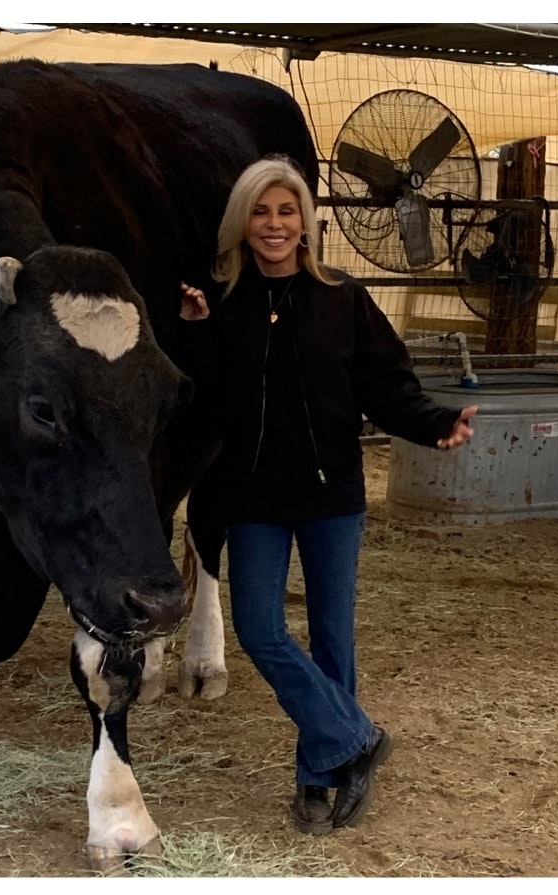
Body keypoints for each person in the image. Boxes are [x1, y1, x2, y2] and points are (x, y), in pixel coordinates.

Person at [179, 156, 476, 834]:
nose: (274, 224)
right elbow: (207, 404)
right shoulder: (224, 307)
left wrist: (434, 424)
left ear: (305, 223)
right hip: (254, 497)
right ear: (243, 224)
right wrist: (194, 332)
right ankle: (358, 739)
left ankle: (319, 776)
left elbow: (387, 384)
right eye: (261, 212)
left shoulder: (344, 299)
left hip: (332, 497)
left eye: (286, 211)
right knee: (258, 629)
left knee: (332, 636)